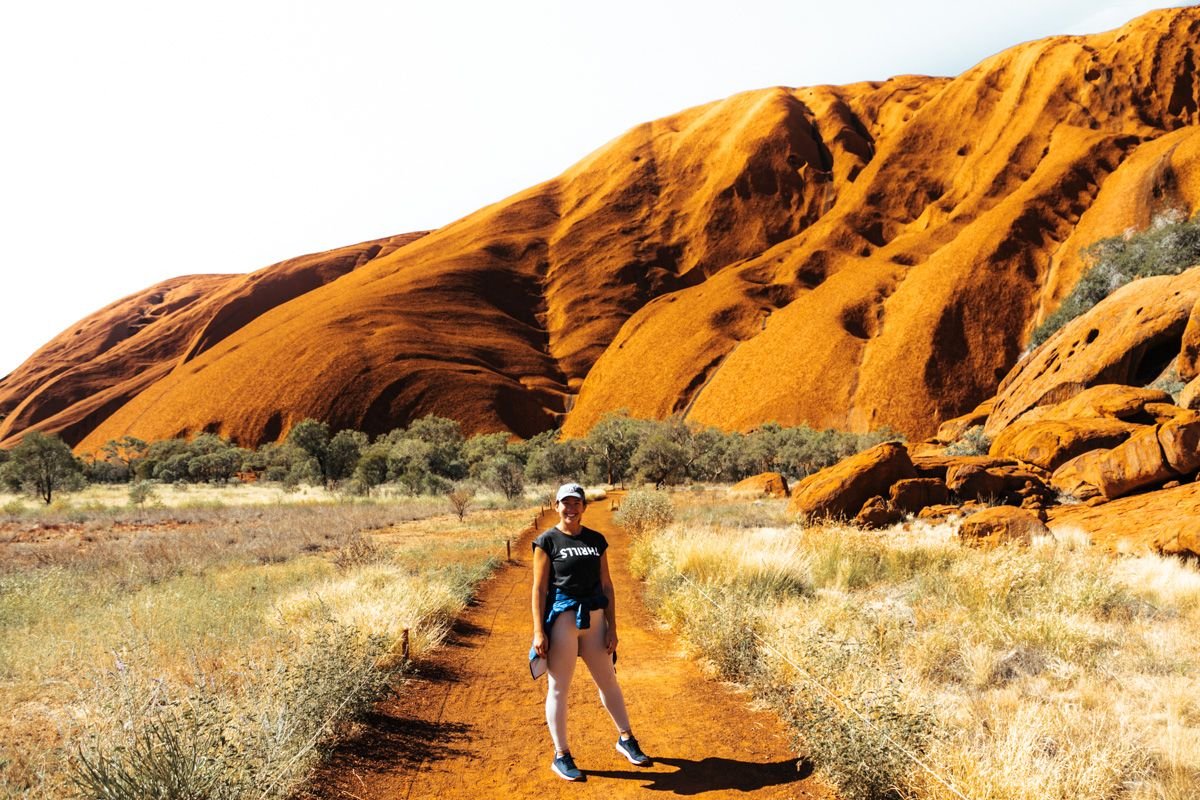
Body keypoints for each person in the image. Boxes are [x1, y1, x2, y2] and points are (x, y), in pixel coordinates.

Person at [531, 482, 651, 781]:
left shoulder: (597, 540)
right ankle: (561, 755)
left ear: (584, 507)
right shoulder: (547, 541)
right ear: (555, 505)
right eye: (565, 503)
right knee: (559, 687)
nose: (571, 508)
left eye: (576, 503)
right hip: (563, 620)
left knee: (608, 680)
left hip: (595, 619)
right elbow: (539, 588)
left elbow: (607, 585)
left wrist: (613, 626)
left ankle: (626, 738)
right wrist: (538, 632)